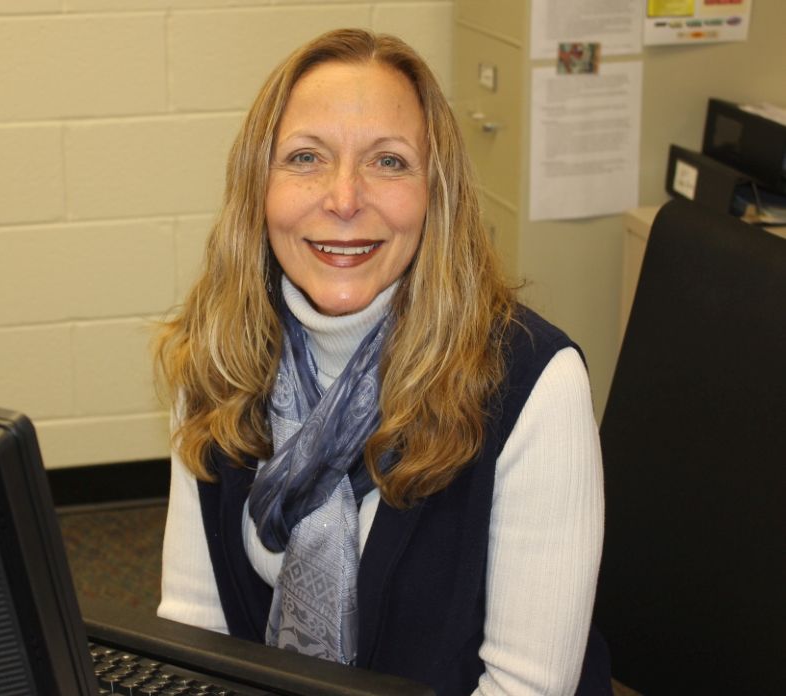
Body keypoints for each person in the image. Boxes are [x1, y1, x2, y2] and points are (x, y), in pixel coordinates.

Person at [154, 28, 610, 696]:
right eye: (306, 157)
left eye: (389, 162)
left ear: (436, 194)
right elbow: (194, 629)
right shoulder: (220, 359)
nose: (344, 199)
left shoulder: (532, 384)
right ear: (258, 188)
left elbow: (526, 689)